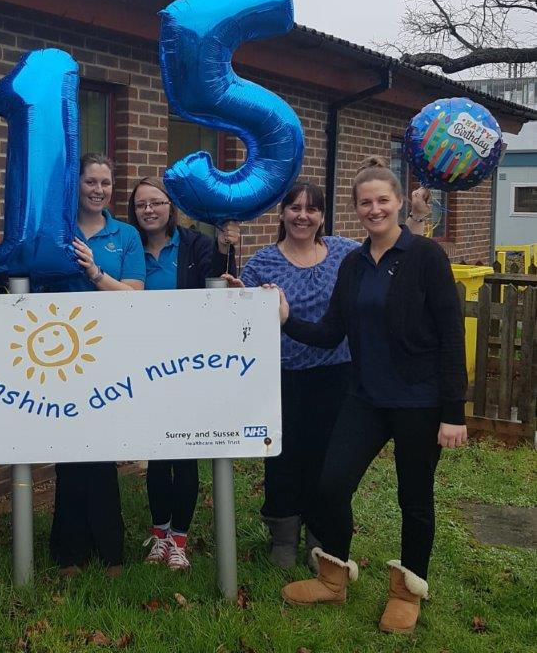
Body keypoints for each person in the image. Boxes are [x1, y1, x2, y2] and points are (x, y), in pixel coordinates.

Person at [275, 157, 467, 635]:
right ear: (356, 208)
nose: (374, 208)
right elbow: (329, 333)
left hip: (419, 402)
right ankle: (333, 577)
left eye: (383, 200)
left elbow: (450, 336)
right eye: (366, 202)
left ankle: (407, 591)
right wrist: (284, 318)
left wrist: (452, 413)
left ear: (400, 203)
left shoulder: (426, 257)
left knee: (414, 499)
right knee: (330, 485)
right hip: (364, 398)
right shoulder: (353, 265)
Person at [225, 181, 431, 571]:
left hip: (338, 375)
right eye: (295, 208)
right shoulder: (261, 263)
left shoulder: (345, 253)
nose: (303, 215)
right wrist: (239, 297)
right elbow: (242, 322)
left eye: (312, 209)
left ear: (322, 216)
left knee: (328, 461)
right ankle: (284, 538)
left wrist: (417, 218)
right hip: (281, 375)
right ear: (282, 213)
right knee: (283, 459)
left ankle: (321, 540)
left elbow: (397, 259)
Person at [127, 176, 239, 570]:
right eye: (141, 204)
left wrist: (227, 248)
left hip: (190, 362)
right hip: (144, 363)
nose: (149, 210)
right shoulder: (128, 245)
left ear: (170, 207)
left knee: (186, 452)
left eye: (156, 202)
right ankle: (159, 534)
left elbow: (220, 280)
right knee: (157, 453)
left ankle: (180, 540)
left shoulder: (195, 244)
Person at [48, 153, 146, 578]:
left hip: (109, 358)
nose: (98, 189)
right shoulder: (55, 231)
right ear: (77, 184)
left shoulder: (125, 236)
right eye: (91, 181)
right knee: (67, 454)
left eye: (105, 183)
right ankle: (68, 553)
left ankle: (111, 552)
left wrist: (93, 270)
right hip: (60, 357)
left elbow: (133, 296)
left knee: (103, 458)